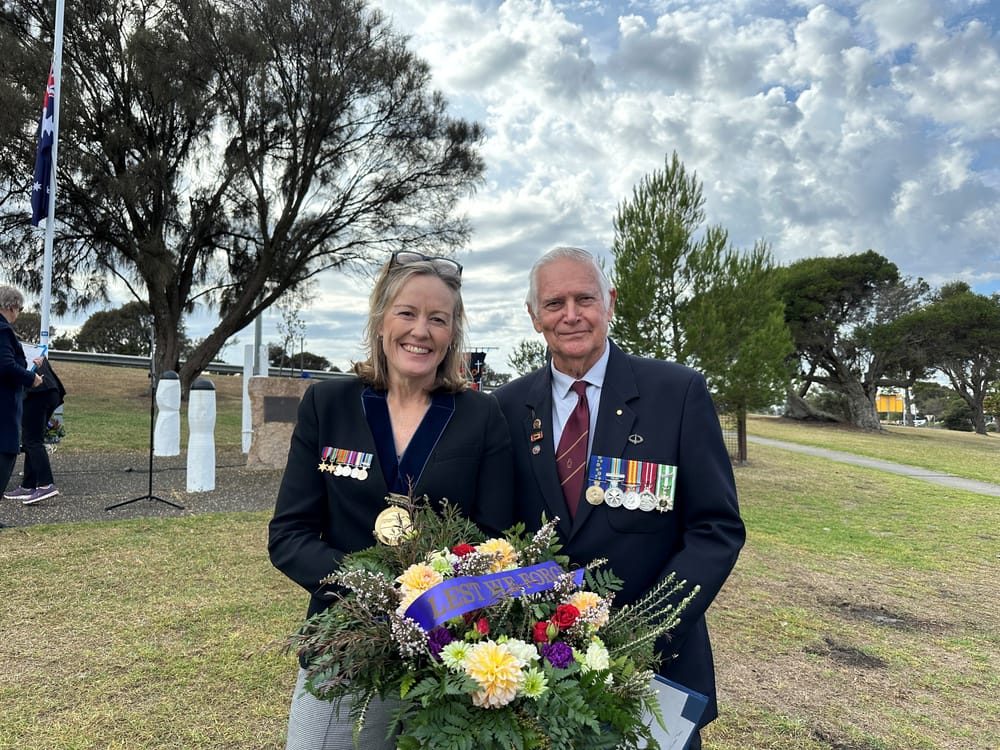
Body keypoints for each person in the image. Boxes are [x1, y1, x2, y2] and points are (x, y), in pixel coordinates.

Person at [493, 246, 745, 749]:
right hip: (538, 668)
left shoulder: (677, 393)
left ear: (609, 301)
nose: (570, 315)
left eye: (584, 298)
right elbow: (496, 532)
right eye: (554, 303)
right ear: (533, 316)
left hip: (654, 665)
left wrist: (642, 630)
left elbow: (715, 529)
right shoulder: (504, 408)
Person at [268, 251, 514, 750]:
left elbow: (496, 540)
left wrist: (434, 602)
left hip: (444, 650)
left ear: (452, 334)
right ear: (381, 321)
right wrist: (376, 591)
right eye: (407, 313)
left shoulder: (481, 416)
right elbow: (289, 536)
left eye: (438, 319)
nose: (420, 331)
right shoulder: (327, 405)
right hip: (342, 639)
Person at [0, 286, 44, 528]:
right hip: (4, 406)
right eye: (19, 308)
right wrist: (31, 377)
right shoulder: (4, 331)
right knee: (5, 454)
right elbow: (6, 366)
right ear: (11, 307)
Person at [4, 356, 66, 505]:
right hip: (50, 391)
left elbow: (11, 368)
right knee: (31, 439)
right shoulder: (18, 346)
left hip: (36, 392)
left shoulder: (5, 342)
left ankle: (46, 485)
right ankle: (28, 485)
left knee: (32, 440)